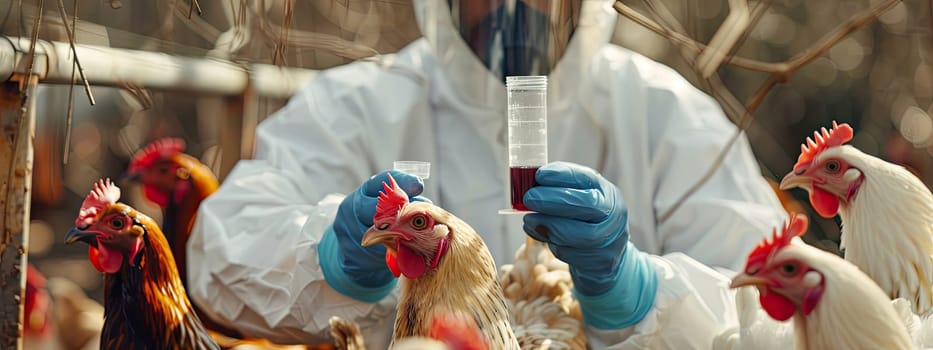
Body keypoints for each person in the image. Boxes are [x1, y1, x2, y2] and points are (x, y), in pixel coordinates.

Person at [186, 0, 788, 348]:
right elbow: (222, 249)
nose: (514, 7)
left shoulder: (664, 113)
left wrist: (639, 293)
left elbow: (770, 312)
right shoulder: (360, 104)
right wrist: (329, 258)